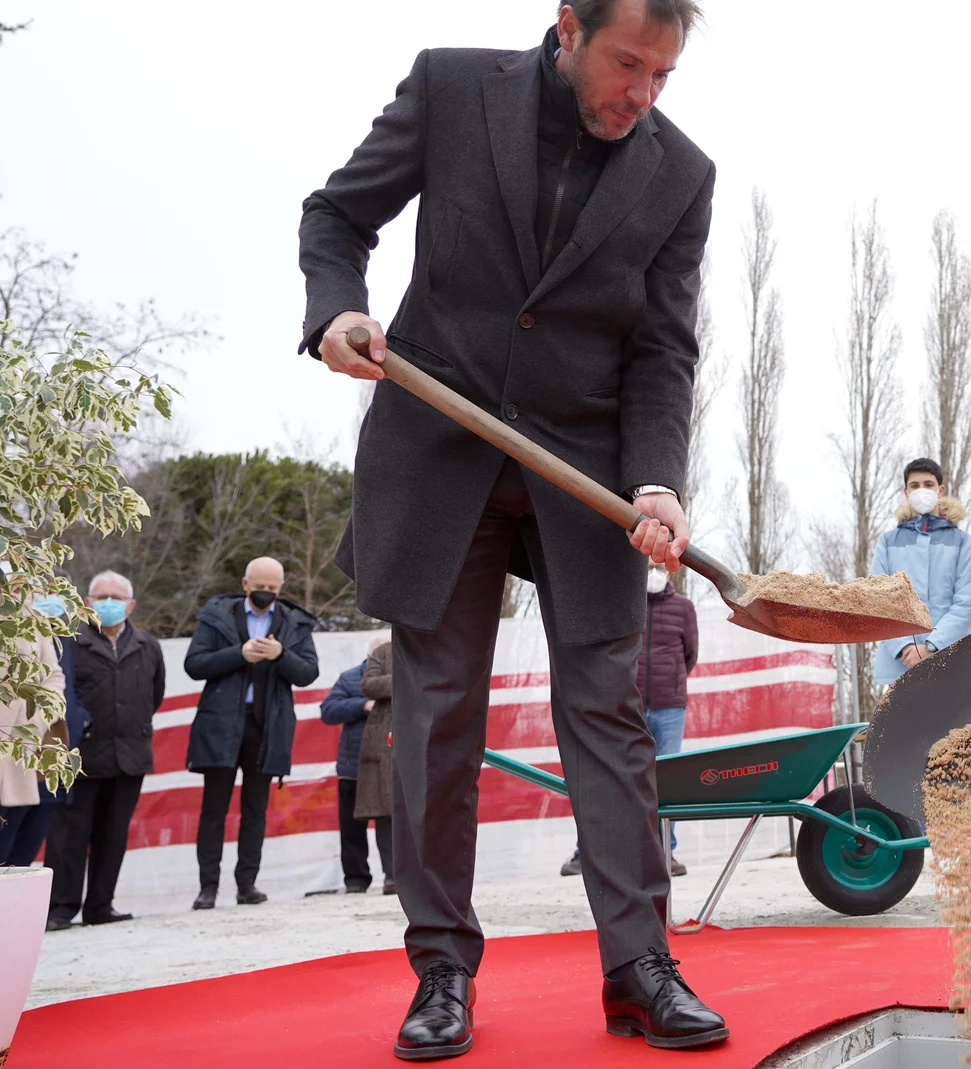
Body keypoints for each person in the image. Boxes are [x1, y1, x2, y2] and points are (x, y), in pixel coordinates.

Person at [298, 0, 725, 1055]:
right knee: (439, 714)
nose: (643, 93)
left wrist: (659, 483)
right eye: (628, 63)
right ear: (569, 27)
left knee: (608, 713)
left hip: (583, 472)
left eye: (663, 76)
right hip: (438, 443)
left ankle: (639, 965)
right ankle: (440, 965)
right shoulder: (450, 89)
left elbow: (664, 350)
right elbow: (335, 215)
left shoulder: (682, 174)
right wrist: (334, 313)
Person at [183, 557, 320, 911]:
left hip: (267, 728)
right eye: (260, 586)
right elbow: (194, 664)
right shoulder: (216, 616)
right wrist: (238, 654)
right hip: (221, 725)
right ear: (245, 584)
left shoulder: (294, 623)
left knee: (255, 810)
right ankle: (207, 888)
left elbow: (308, 673)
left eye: (273, 588)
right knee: (213, 810)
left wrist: (280, 655)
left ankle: (248, 885)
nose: (266, 593)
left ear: (281, 588)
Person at [45, 571, 166, 930]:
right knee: (69, 834)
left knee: (113, 834)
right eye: (101, 597)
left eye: (116, 597)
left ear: (131, 605)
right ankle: (60, 908)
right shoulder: (69, 643)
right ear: (87, 602)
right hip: (82, 756)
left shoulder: (148, 646)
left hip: (130, 754)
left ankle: (101, 905)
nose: (109, 603)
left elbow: (154, 695)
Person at [562, 569, 695, 879]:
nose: (653, 571)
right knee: (607, 775)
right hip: (625, 706)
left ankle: (666, 853)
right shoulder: (620, 601)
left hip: (669, 709)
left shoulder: (684, 608)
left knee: (668, 781)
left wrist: (669, 684)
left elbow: (690, 654)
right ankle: (589, 852)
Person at [872, 459, 971, 687]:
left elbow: (967, 602)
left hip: (951, 660)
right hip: (899, 666)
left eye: (928, 484)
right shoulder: (887, 542)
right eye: (914, 485)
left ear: (940, 490)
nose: (921, 490)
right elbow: (878, 601)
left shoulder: (961, 542)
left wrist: (933, 646)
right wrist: (905, 647)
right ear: (906, 492)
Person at [320, 649, 395, 893]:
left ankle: (392, 876)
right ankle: (356, 879)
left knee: (388, 820)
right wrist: (362, 705)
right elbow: (328, 710)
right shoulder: (350, 678)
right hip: (352, 765)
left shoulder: (403, 675)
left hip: (385, 763)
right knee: (352, 825)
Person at [0, 595, 67, 868]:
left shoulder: (34, 620)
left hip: (23, 750)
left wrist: (38, 720)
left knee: (15, 858)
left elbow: (54, 677)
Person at [357, 638, 397, 895]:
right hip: (385, 742)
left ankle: (426, 876)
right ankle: (392, 876)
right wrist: (406, 679)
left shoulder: (433, 646)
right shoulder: (383, 652)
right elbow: (368, 685)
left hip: (425, 731)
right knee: (387, 812)